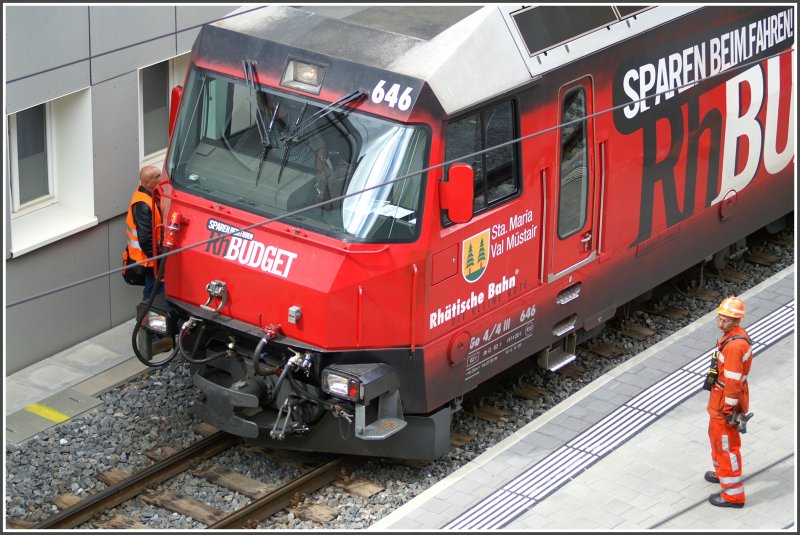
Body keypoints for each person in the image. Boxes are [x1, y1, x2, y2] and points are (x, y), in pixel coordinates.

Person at [705, 296, 752, 509]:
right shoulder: (732, 337)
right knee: (716, 438)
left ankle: (733, 496)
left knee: (726, 446)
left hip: (725, 401)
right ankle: (721, 473)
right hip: (720, 398)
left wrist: (729, 409)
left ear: (736, 321)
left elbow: (732, 381)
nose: (720, 322)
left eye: (725, 319)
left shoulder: (734, 346)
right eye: (719, 317)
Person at [125, 165, 164, 301]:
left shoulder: (146, 193)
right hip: (147, 259)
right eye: (157, 177)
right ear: (148, 183)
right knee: (154, 290)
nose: (162, 178)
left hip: (150, 256)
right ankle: (146, 315)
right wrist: (159, 259)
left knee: (155, 288)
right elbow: (146, 240)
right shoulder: (142, 205)